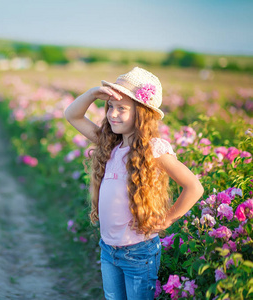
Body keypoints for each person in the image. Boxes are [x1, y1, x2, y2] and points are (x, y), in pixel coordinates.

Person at [64, 67, 204, 300]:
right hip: (108, 250)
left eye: (122, 108)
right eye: (110, 106)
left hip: (139, 252)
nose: (112, 114)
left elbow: (194, 187)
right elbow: (72, 115)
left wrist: (167, 219)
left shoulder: (154, 150)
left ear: (141, 113)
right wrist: (91, 95)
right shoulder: (109, 144)